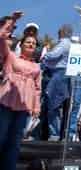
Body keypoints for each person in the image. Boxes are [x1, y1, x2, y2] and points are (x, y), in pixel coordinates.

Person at [0, 11, 41, 170]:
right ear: (21, 44)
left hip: (23, 109)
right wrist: (12, 21)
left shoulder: (37, 68)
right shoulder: (11, 57)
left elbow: (37, 89)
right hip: (6, 103)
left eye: (34, 43)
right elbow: (1, 38)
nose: (31, 44)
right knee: (1, 138)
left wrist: (36, 107)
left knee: (15, 144)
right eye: (28, 42)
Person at [43, 24, 73, 141]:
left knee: (53, 105)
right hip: (61, 75)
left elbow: (54, 55)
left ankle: (54, 134)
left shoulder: (64, 43)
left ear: (61, 32)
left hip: (59, 74)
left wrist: (45, 54)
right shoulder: (68, 43)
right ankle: (57, 133)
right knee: (57, 105)